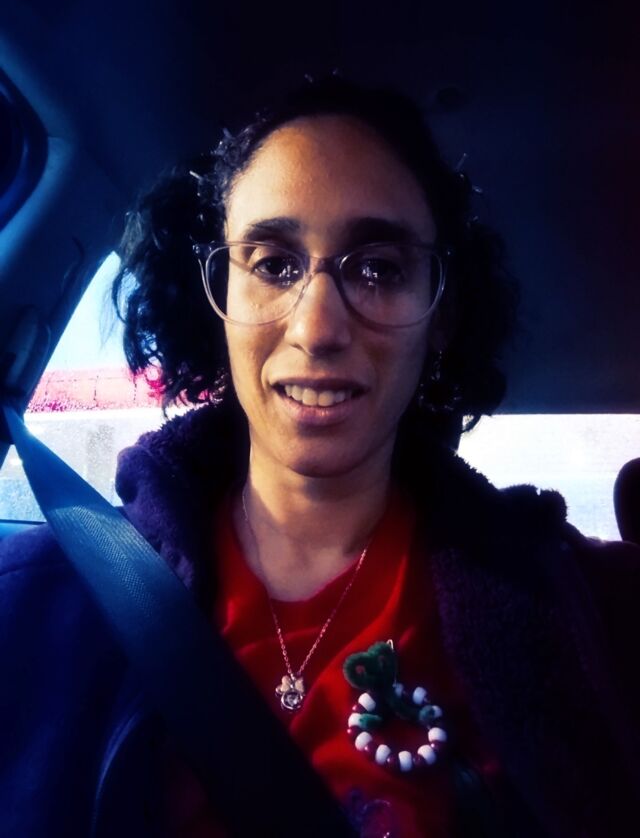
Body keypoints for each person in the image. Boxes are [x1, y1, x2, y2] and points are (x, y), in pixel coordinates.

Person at [1, 75, 638, 838]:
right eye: (273, 264)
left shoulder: (584, 615)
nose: (318, 327)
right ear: (217, 296)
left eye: (380, 267)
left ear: (440, 316)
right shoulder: (37, 601)